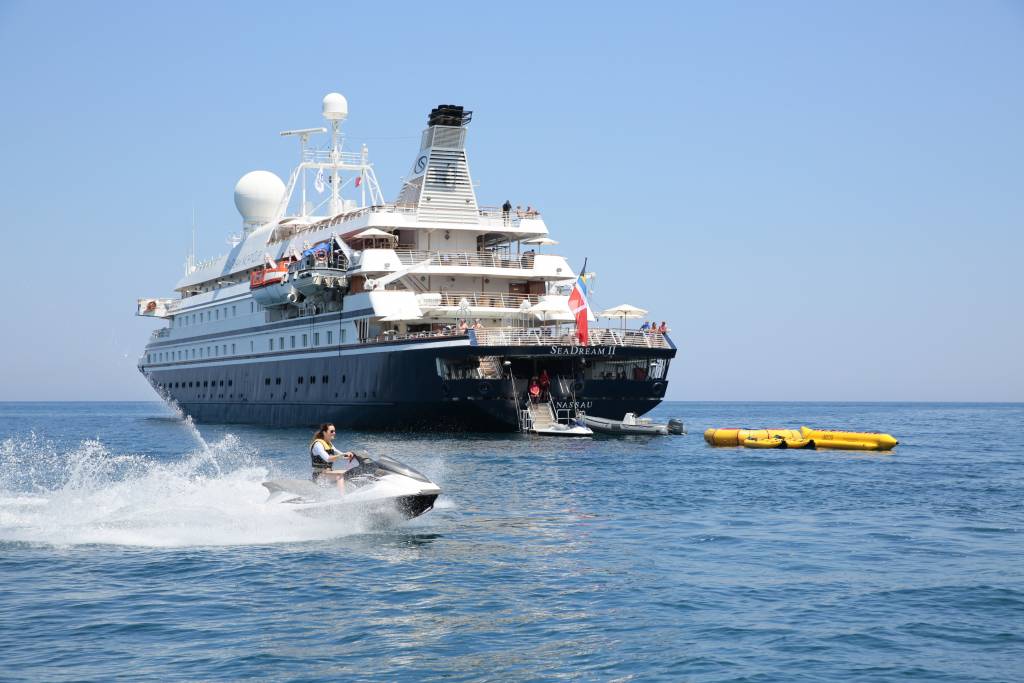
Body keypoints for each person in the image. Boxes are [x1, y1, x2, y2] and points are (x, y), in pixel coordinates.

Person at [310, 423, 355, 494]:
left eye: (334, 431)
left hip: (328, 473)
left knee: (348, 472)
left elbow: (341, 455)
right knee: (339, 476)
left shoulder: (329, 444)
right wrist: (343, 455)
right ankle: (342, 498)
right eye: (331, 431)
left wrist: (349, 456)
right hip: (319, 476)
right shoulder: (318, 444)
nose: (334, 433)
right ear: (324, 432)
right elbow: (328, 458)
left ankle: (353, 492)